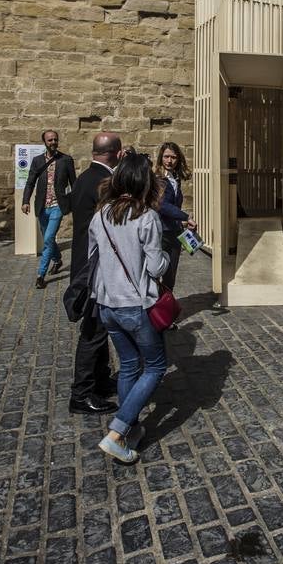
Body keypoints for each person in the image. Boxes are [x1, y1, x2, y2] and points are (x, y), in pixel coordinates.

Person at [89, 151, 170, 463]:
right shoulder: (146, 217)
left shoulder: (101, 215)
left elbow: (92, 258)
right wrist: (163, 256)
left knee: (129, 365)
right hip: (135, 305)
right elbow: (156, 267)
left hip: (107, 303)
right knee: (155, 366)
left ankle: (131, 428)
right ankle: (117, 432)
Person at [68, 132, 123, 415]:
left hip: (82, 263)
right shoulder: (103, 183)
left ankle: (100, 380)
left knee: (98, 326)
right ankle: (81, 393)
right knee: (93, 332)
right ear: (116, 152)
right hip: (94, 269)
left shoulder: (83, 178)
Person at [22, 129, 76, 288]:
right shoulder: (38, 161)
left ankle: (40, 275)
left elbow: (74, 184)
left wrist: (74, 203)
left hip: (57, 207)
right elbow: (30, 182)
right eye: (50, 140)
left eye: (55, 139)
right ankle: (58, 260)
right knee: (49, 239)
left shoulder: (66, 160)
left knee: (47, 240)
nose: (53, 142)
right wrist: (25, 201)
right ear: (44, 142)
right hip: (41, 207)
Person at [154, 141, 197, 290]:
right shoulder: (158, 179)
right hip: (161, 233)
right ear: (161, 158)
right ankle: (155, 308)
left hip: (174, 232)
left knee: (170, 275)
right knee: (156, 273)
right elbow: (162, 205)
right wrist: (185, 217)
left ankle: (166, 306)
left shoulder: (175, 178)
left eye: (173, 157)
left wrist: (181, 222)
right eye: (166, 157)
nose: (169, 161)